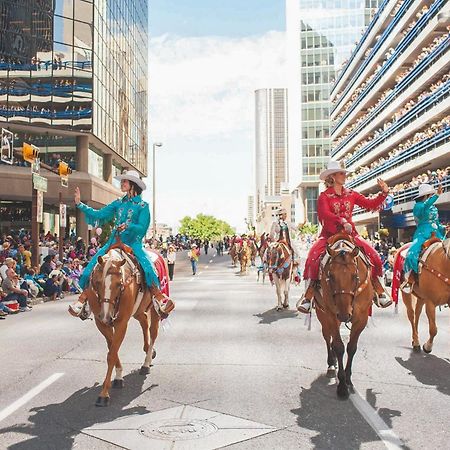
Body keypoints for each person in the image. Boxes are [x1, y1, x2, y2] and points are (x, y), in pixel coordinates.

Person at [68, 170, 174, 318]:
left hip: (133, 244)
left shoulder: (143, 206)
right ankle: (83, 300)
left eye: (125, 181)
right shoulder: (118, 203)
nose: (122, 183)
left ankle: (158, 298)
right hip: (113, 242)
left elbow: (142, 228)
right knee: (91, 266)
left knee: (148, 268)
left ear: (133, 185)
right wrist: (80, 205)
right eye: (122, 181)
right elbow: (100, 214)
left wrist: (128, 226)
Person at [297, 160, 393, 314]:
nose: (344, 176)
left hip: (351, 235)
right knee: (312, 258)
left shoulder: (352, 194)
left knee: (374, 256)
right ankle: (308, 295)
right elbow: (324, 215)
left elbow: (370, 204)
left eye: (344, 173)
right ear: (333, 176)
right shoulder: (324, 196)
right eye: (341, 173)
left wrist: (384, 194)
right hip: (329, 235)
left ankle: (378, 289)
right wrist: (341, 221)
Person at [401, 183, 446, 293]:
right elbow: (426, 206)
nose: (432, 196)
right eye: (430, 195)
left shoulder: (434, 208)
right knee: (411, 253)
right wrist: (437, 196)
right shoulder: (418, 207)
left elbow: (436, 222)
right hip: (423, 233)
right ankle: (409, 278)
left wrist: (444, 228)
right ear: (426, 196)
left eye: (432, 195)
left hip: (437, 233)